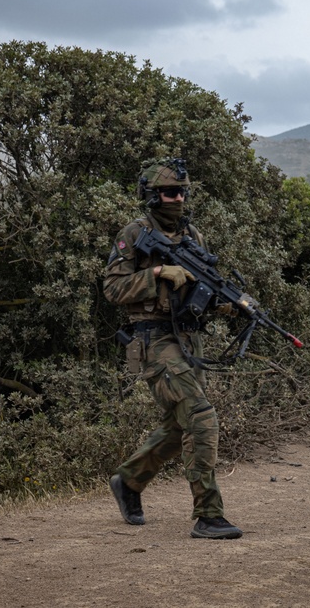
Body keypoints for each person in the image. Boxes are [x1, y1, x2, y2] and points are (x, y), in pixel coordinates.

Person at [103, 158, 242, 540]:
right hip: (153, 339)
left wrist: (233, 303)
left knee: (177, 424)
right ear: (151, 195)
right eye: (169, 192)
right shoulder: (133, 234)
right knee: (201, 417)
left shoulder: (192, 235)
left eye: (181, 191)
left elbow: (205, 289)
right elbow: (112, 289)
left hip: (186, 339)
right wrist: (157, 273)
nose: (177, 198)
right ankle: (208, 515)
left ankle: (129, 481)